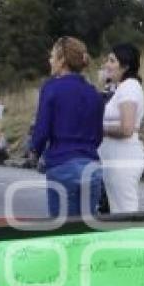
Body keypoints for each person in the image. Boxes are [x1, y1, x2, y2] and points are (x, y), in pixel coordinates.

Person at [29, 36, 104, 218]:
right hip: (91, 167)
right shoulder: (94, 93)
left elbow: (43, 128)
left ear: (62, 60)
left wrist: (34, 151)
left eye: (53, 56)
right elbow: (98, 135)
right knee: (86, 231)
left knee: (62, 233)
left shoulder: (51, 87)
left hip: (63, 165)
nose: (50, 60)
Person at [99, 43, 144, 213]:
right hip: (115, 160)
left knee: (125, 212)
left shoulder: (130, 88)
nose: (106, 65)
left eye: (112, 61)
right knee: (117, 211)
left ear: (125, 66)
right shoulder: (121, 88)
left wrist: (97, 128)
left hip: (123, 160)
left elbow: (127, 129)